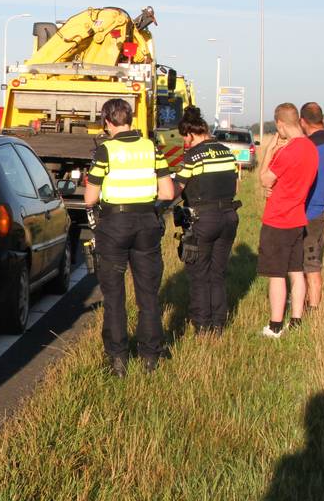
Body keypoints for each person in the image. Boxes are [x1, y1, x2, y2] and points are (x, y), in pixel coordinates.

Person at [84, 98, 175, 375]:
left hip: (114, 224)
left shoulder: (106, 151)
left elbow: (90, 198)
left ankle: (118, 360)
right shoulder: (151, 148)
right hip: (147, 223)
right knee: (148, 296)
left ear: (107, 122)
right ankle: (150, 357)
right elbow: (168, 193)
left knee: (114, 297)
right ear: (131, 119)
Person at [171, 106, 241, 335]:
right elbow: (236, 186)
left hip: (204, 219)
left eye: (185, 138)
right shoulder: (226, 152)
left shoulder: (193, 156)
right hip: (229, 217)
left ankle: (202, 326)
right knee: (218, 273)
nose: (185, 143)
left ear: (190, 134)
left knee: (199, 274)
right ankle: (218, 324)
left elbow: (176, 189)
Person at [257, 103, 319, 338]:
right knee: (296, 271)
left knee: (276, 274)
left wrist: (270, 150)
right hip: (297, 218)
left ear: (280, 124)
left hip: (278, 219)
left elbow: (265, 180)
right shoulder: (311, 149)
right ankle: (296, 319)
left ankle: (274, 326)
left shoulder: (288, 150)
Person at [300, 102, 324, 313]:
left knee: (310, 265)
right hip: (319, 207)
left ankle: (311, 309)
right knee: (308, 262)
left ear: (303, 121)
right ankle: (305, 303)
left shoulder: (312, 145)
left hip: (308, 210)